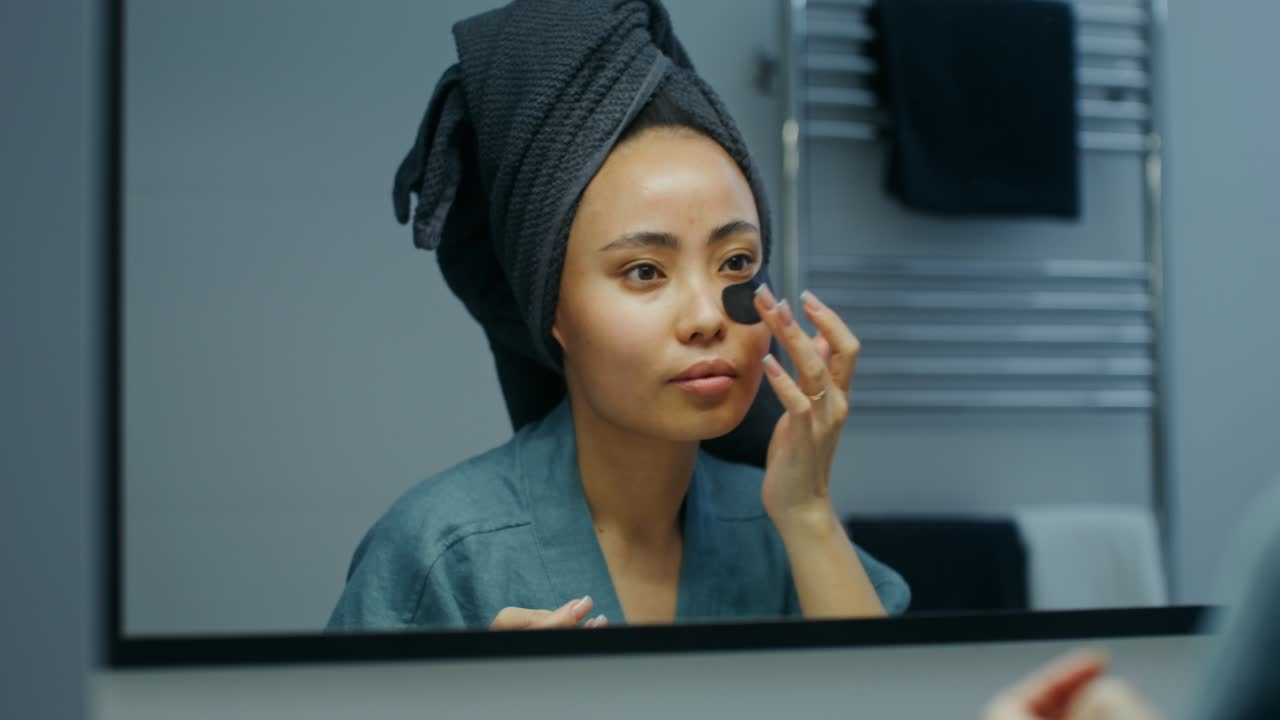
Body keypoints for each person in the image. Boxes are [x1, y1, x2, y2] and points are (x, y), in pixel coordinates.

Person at [326, 0, 909, 632]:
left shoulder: (784, 531)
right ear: (553, 309)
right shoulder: (438, 551)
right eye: (645, 271)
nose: (706, 317)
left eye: (736, 262)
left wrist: (808, 511)